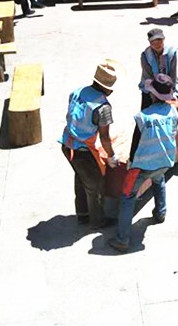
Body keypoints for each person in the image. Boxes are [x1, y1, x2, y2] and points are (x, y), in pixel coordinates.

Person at [108, 73, 178, 252]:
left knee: (128, 197)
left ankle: (122, 240)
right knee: (158, 179)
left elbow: (135, 144)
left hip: (142, 166)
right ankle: (160, 213)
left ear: (152, 94)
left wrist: (130, 163)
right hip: (165, 161)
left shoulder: (143, 117)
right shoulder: (173, 112)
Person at [60, 60, 122, 229]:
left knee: (81, 179)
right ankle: (97, 221)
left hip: (67, 144)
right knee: (96, 187)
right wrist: (111, 156)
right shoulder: (103, 107)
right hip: (83, 151)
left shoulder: (78, 91)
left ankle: (83, 214)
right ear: (106, 87)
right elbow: (104, 137)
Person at [139, 28, 178, 110]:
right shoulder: (145, 55)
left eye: (159, 41)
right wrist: (155, 95)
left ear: (164, 39)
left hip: (168, 85)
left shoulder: (171, 53)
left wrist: (171, 92)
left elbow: (173, 74)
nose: (157, 44)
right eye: (153, 42)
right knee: (146, 112)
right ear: (150, 43)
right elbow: (147, 76)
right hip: (150, 86)